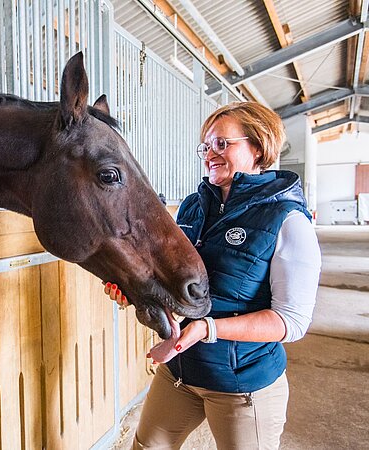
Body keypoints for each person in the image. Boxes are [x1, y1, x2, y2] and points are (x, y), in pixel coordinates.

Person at [104, 102, 321, 449]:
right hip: (180, 373)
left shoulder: (287, 219)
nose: (210, 154)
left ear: (258, 146)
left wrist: (208, 329)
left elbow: (291, 321)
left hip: (243, 386)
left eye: (222, 144)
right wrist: (134, 288)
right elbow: (172, 281)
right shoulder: (192, 205)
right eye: (206, 146)